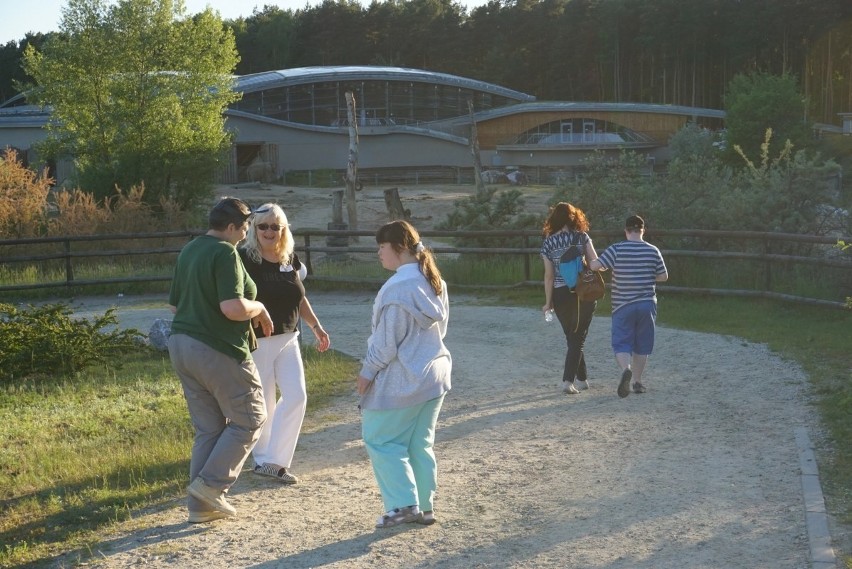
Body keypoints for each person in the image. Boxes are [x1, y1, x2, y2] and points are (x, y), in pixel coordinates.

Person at [167, 197, 273, 524]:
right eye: (244, 229)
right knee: (250, 418)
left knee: (209, 429)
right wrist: (259, 308)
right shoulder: (224, 252)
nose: (245, 235)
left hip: (182, 346)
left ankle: (200, 508)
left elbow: (175, 306)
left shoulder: (191, 249)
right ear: (230, 227)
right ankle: (212, 486)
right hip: (217, 348)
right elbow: (233, 308)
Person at [356, 220, 452, 528]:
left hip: (404, 379)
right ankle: (424, 506)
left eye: (381, 247)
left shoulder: (397, 289)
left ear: (398, 248)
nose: (379, 254)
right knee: (418, 443)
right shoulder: (432, 280)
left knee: (380, 439)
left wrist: (367, 373)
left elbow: (386, 344)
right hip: (434, 374)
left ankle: (402, 505)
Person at [239, 203, 331, 484]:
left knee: (297, 396)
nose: (269, 231)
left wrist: (316, 326)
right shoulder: (244, 258)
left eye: (275, 226)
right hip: (259, 340)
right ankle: (264, 460)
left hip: (289, 337)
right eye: (263, 226)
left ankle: (276, 460)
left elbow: (298, 296)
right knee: (264, 401)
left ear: (283, 229)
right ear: (254, 229)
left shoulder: (289, 258)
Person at [589, 215, 668, 397]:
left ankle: (626, 369)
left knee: (622, 342)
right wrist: (646, 276)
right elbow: (663, 276)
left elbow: (597, 266)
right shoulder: (653, 250)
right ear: (643, 230)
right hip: (647, 304)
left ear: (626, 231)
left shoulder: (616, 249)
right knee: (642, 344)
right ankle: (638, 382)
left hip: (622, 304)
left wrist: (590, 259)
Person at [540, 202, 601, 395]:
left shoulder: (548, 243)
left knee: (572, 336)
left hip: (560, 293)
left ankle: (582, 379)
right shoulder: (582, 237)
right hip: (584, 292)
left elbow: (548, 276)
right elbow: (594, 263)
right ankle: (568, 381)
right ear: (575, 218)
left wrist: (548, 302)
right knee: (578, 337)